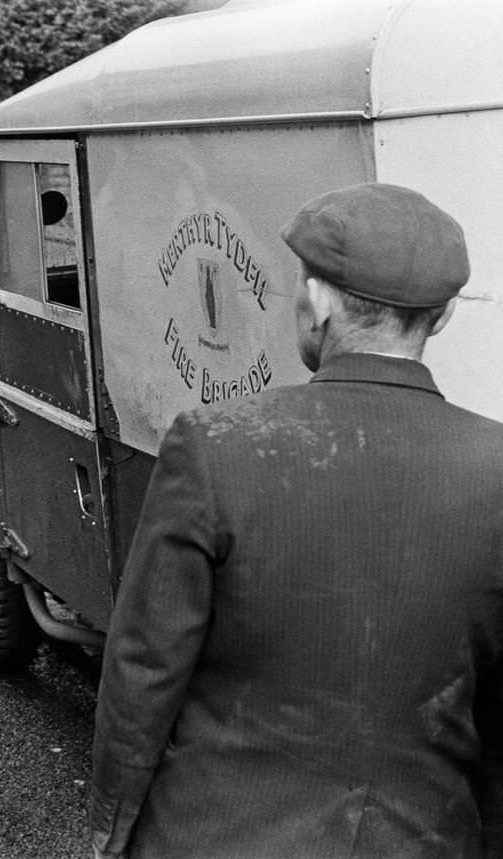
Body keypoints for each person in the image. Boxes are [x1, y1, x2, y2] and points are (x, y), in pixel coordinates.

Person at [90, 182, 503, 859]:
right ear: (445, 315)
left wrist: (109, 831)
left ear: (317, 303)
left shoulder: (214, 443)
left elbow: (142, 673)